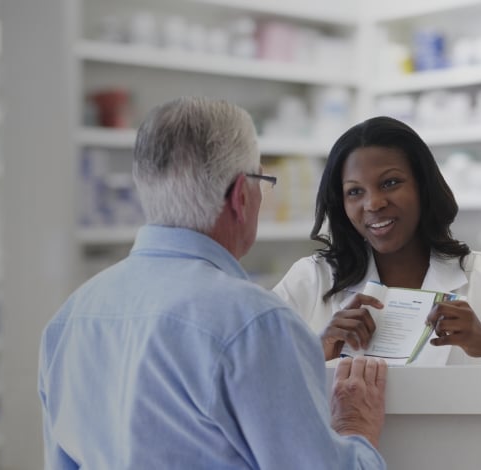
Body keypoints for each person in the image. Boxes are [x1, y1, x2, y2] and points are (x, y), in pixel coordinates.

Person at [38, 97, 388, 469]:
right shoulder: (255, 322)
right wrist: (355, 428)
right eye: (261, 181)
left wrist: (295, 359)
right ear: (240, 196)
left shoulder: (68, 320)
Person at [273, 116, 481, 366]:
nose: (373, 203)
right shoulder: (312, 280)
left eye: (390, 183)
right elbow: (246, 375)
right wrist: (320, 349)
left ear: (423, 187)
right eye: (355, 191)